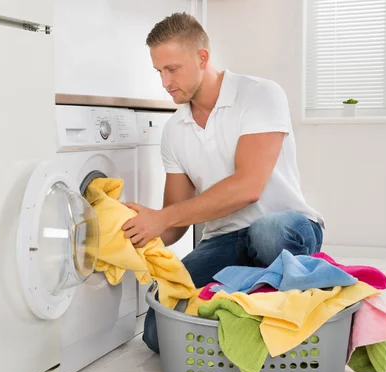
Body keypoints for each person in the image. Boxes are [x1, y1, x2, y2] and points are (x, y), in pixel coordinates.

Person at [121, 12, 325, 353]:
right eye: (159, 71)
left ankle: (245, 297)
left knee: (267, 235)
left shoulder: (259, 95)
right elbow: (174, 221)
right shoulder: (175, 130)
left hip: (287, 228)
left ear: (202, 58)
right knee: (158, 332)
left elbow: (248, 187)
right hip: (225, 241)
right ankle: (243, 306)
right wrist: (139, 227)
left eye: (172, 69)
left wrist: (164, 218)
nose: (164, 81)